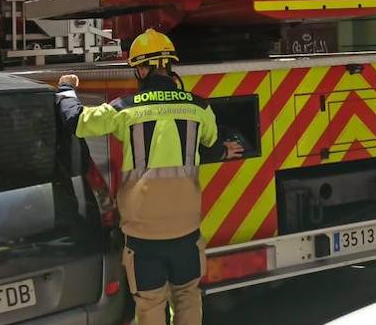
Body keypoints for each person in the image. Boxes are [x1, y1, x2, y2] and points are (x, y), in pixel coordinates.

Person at [58, 29, 243, 325]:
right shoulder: (198, 107)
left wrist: (65, 89)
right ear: (170, 65)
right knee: (187, 296)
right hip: (186, 227)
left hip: (143, 233)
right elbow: (208, 143)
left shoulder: (125, 109)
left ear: (141, 68)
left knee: (150, 303)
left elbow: (75, 121)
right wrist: (223, 151)